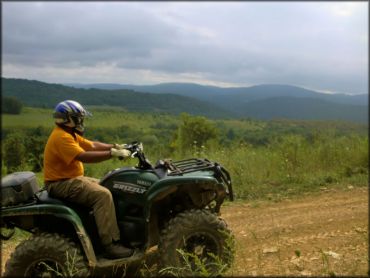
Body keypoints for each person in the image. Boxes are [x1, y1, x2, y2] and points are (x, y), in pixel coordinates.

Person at [43, 100, 133, 259]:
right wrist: (112, 154)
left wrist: (116, 146)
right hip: (61, 184)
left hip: (71, 179)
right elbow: (83, 156)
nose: (81, 121)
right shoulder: (61, 137)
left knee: (109, 183)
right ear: (68, 119)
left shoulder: (70, 134)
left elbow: (91, 145)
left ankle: (101, 229)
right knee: (102, 195)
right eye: (78, 118)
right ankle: (110, 245)